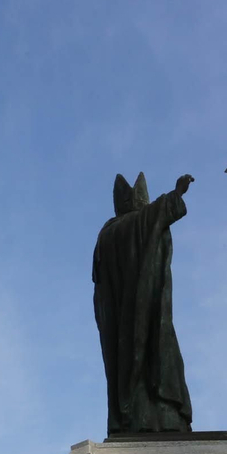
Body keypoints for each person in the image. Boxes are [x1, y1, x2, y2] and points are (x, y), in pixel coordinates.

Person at [92, 171, 195, 436]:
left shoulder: (105, 236)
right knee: (158, 352)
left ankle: (133, 418)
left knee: (127, 365)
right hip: (147, 312)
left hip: (119, 325)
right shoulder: (135, 222)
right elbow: (158, 213)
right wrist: (176, 193)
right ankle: (165, 418)